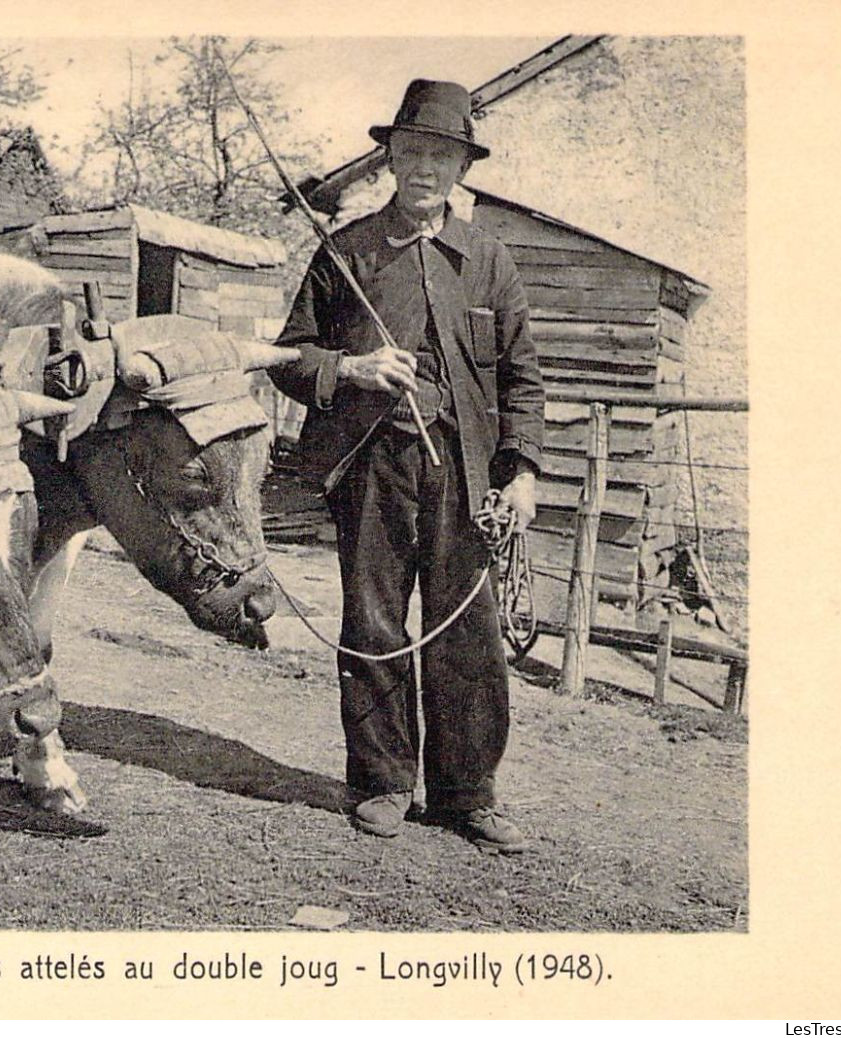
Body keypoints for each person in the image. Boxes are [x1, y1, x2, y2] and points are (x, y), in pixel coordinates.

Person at [270, 79, 545, 849]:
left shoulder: (488, 261)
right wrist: (349, 370)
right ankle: (383, 783)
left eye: (442, 155)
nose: (425, 167)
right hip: (371, 465)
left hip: (466, 474)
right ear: (389, 157)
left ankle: (466, 796)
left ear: (461, 168)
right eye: (412, 150)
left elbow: (522, 376)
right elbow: (287, 358)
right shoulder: (344, 253)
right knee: (374, 623)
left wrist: (520, 471)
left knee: (468, 636)